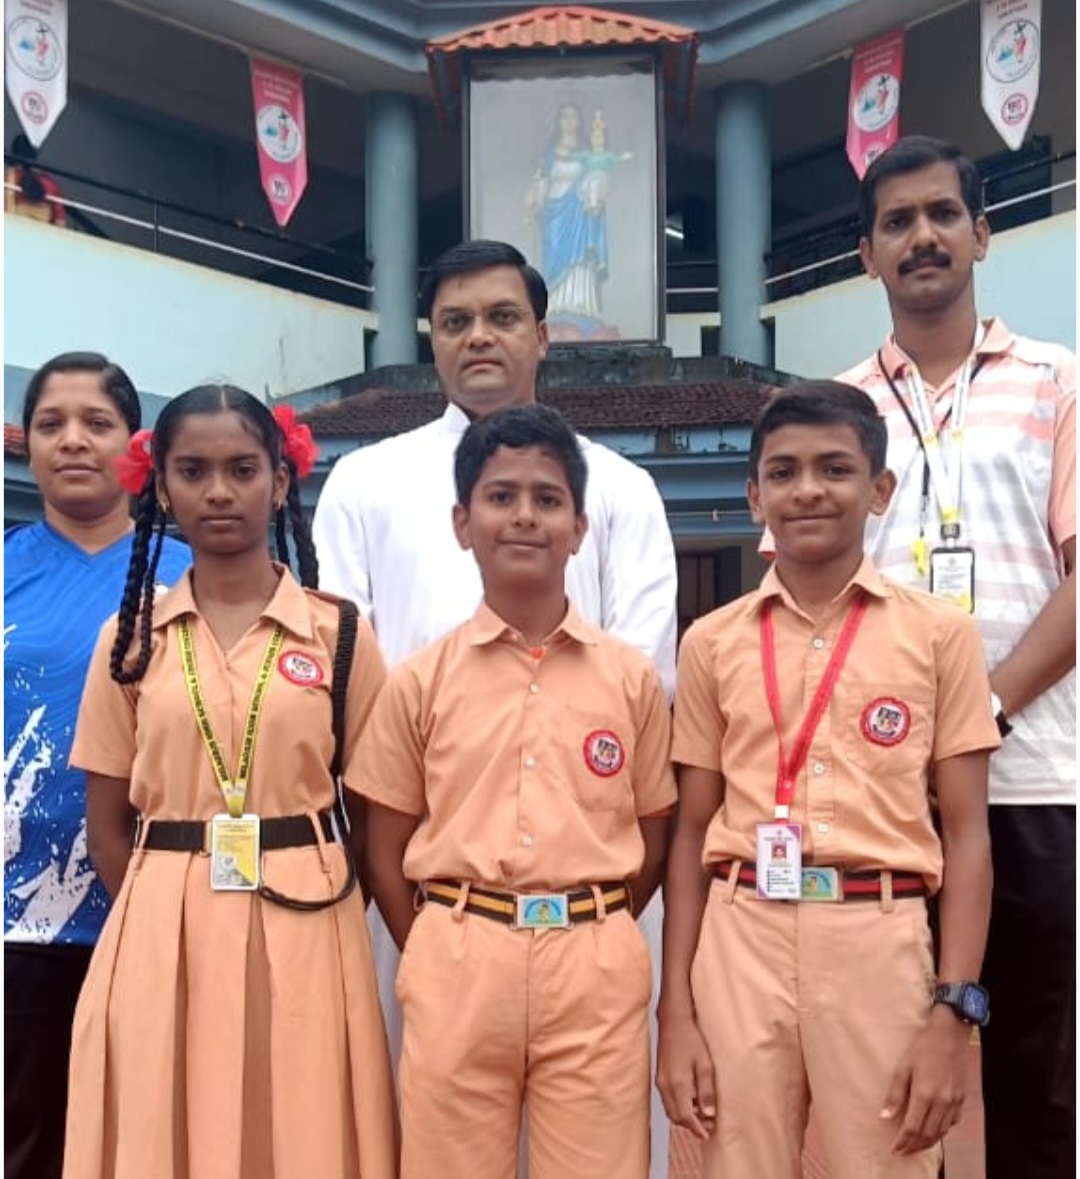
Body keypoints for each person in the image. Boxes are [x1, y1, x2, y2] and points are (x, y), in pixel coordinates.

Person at [312, 237, 677, 1178]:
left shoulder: (620, 487)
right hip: (430, 883)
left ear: (542, 335)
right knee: (437, 1144)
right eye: (456, 320)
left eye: (502, 317)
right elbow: (347, 674)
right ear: (430, 338)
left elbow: (640, 679)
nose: (479, 336)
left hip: (587, 881)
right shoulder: (364, 481)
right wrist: (434, 921)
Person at [659, 382, 1000, 1179]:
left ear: (879, 489)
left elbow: (968, 835)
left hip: (879, 932)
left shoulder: (940, 635)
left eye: (835, 468)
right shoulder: (711, 642)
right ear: (754, 496)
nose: (808, 489)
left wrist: (954, 1011)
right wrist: (676, 1008)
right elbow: (690, 831)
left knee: (887, 1161)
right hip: (741, 933)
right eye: (783, 472)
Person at [62, 385, 397, 1179]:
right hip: (161, 923)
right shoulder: (129, 639)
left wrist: (323, 901)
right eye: (193, 471)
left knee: (302, 1129)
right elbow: (105, 826)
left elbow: (376, 817)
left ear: (280, 481)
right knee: (165, 1128)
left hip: (309, 917)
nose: (218, 490)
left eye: (243, 469)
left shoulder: (341, 633)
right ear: (161, 487)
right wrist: (161, 911)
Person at [846, 135, 1075, 1179]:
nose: (922, 236)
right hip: (880, 791)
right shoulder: (837, 410)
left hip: (1033, 781)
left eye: (942, 214)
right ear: (867, 255)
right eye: (897, 222)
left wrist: (983, 708)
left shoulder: (1058, 382)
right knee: (889, 1077)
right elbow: (808, 600)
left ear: (983, 234)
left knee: (1035, 1072)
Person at [4, 352, 190, 1179]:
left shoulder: (191, 578)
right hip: (19, 923)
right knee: (28, 1139)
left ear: (135, 446)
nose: (73, 439)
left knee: (148, 1141)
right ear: (27, 442)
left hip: (162, 909)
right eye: (52, 423)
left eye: (97, 422)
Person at [524, 104, 616, 336]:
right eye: (564, 116)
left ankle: (582, 305)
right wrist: (536, 195)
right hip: (554, 214)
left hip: (579, 212)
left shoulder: (586, 153)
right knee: (555, 253)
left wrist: (596, 191)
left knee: (581, 259)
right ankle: (555, 304)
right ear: (558, 121)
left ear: (579, 121)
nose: (569, 121)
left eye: (573, 116)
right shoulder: (549, 155)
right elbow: (541, 180)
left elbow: (598, 176)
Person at [5, 134, 67, 226]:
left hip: (14, 228)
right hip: (42, 232)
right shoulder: (50, 183)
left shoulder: (9, 177)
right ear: (34, 156)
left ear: (13, 156)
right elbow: (60, 221)